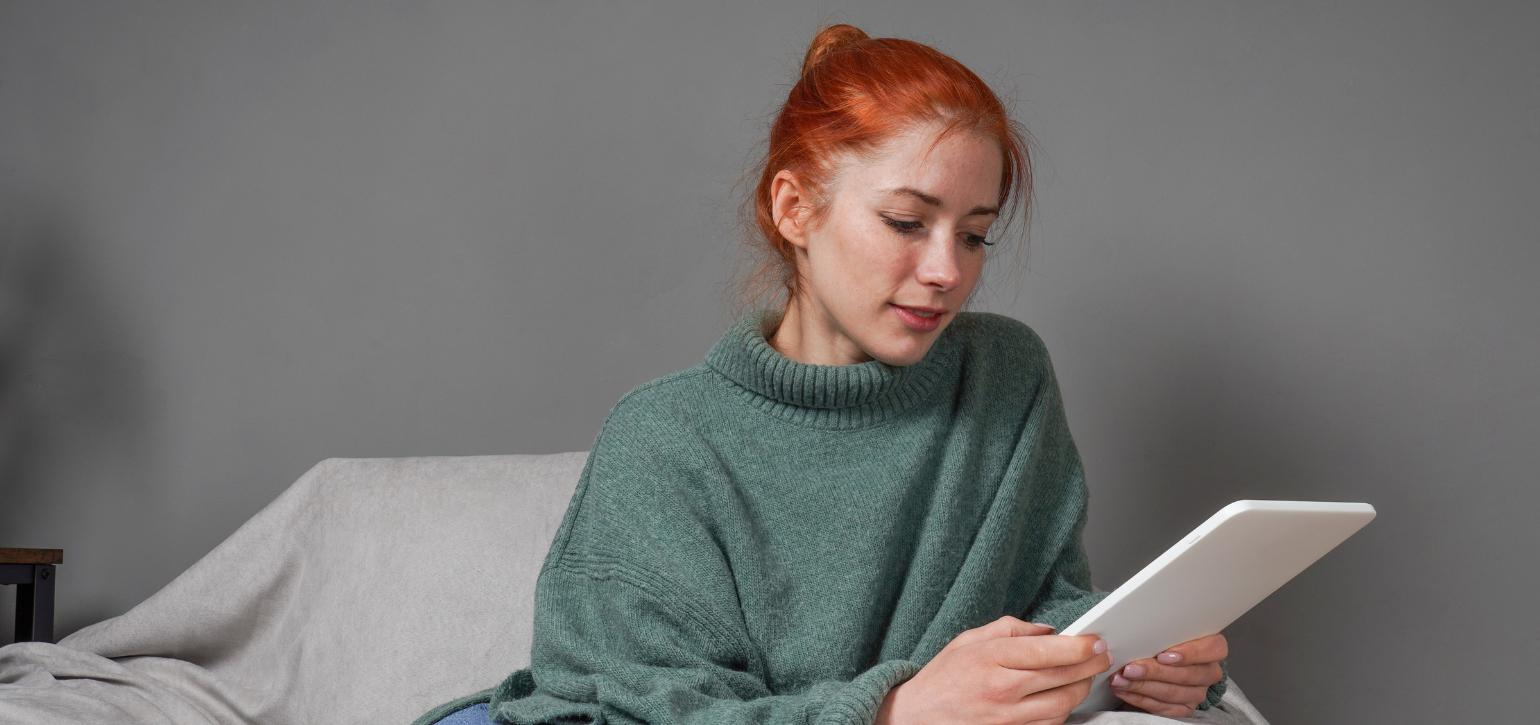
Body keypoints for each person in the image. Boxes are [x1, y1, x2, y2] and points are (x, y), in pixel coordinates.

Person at [414, 23, 1232, 725]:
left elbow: (1043, 601)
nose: (947, 269)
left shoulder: (1005, 377)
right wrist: (893, 709)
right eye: (907, 222)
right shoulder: (664, 439)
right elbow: (646, 707)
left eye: (976, 234)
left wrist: (1130, 649)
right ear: (794, 210)